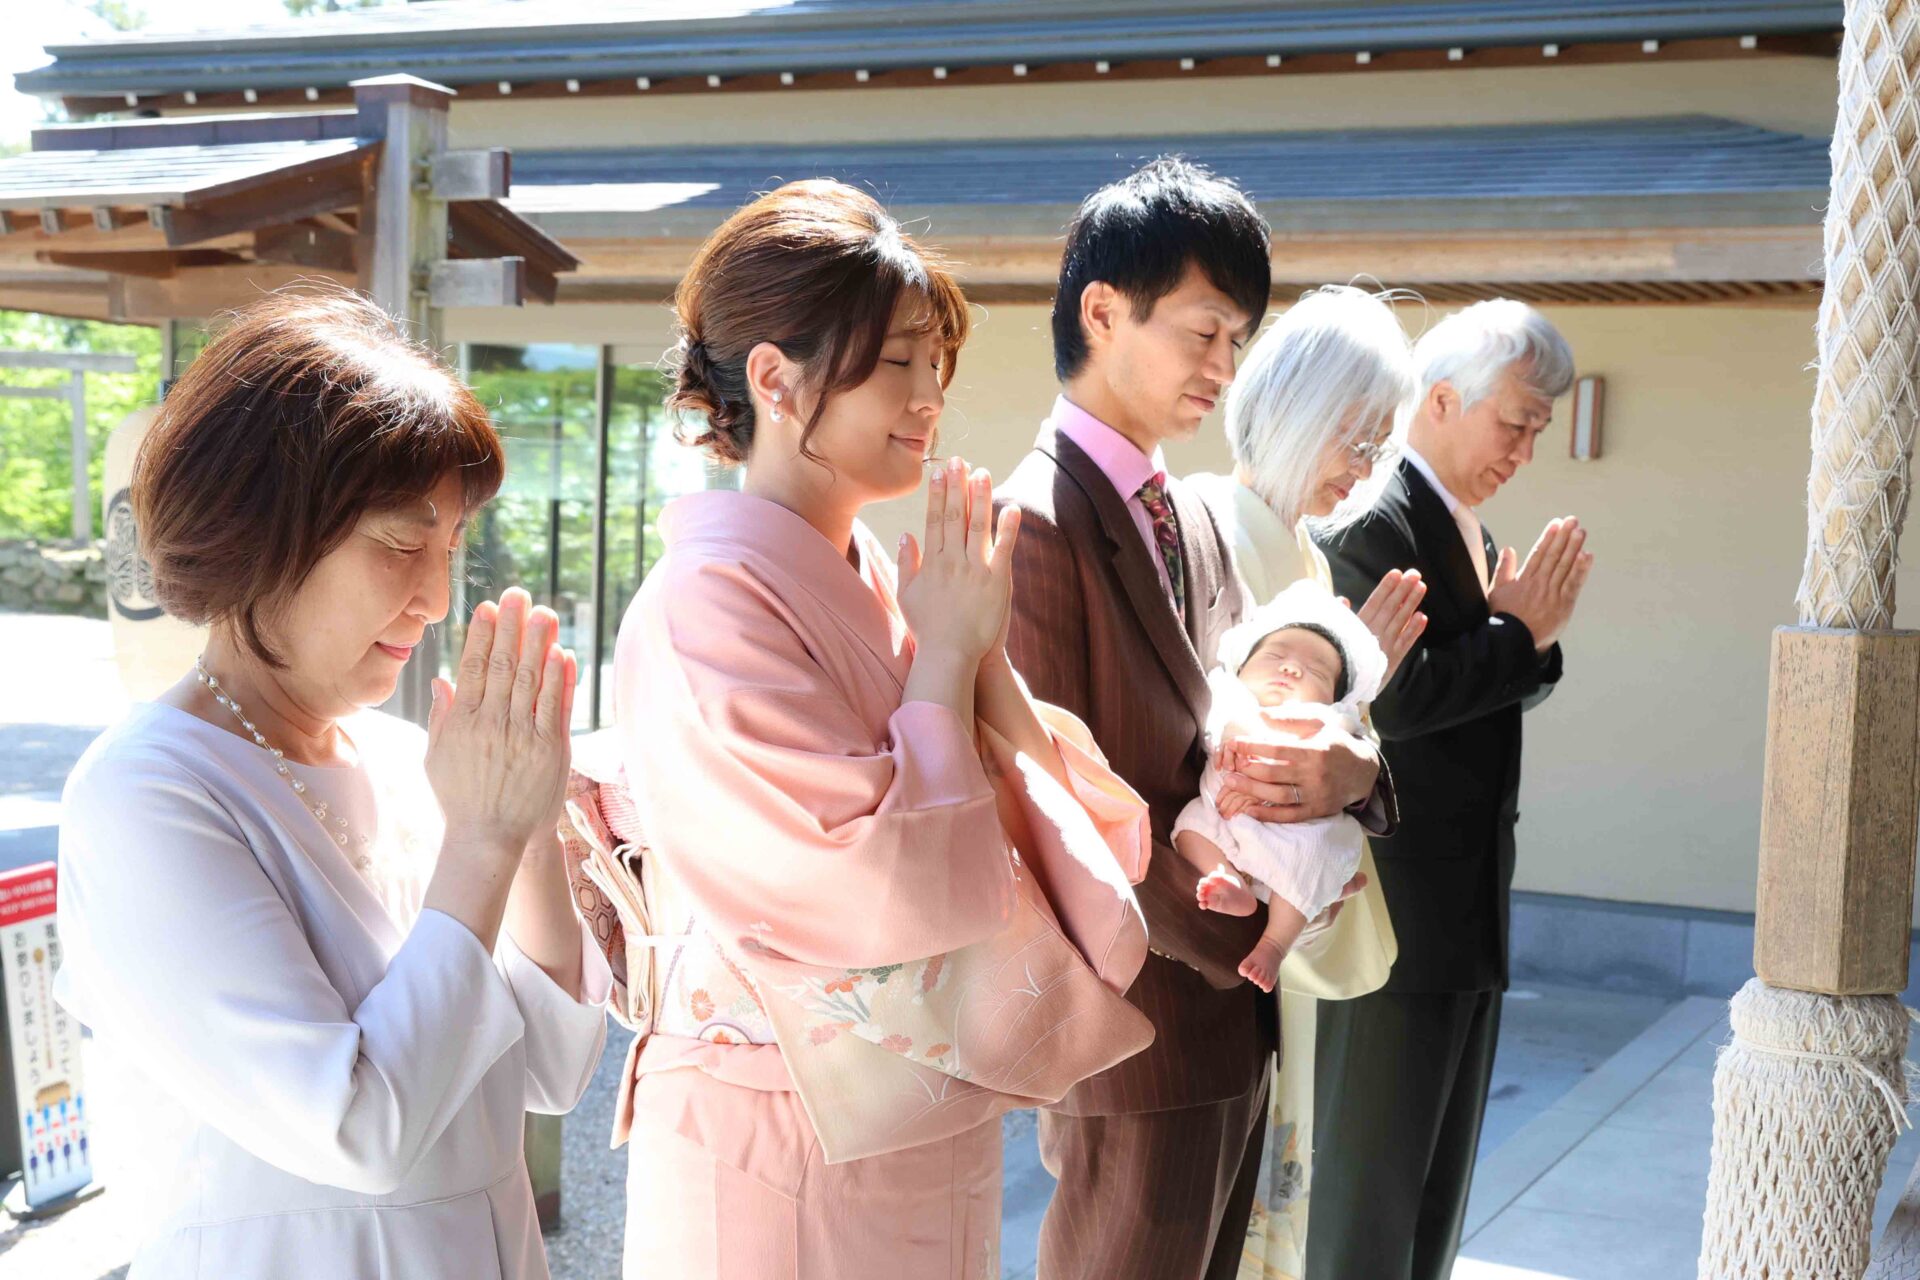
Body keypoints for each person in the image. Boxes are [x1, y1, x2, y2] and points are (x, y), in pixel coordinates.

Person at [612, 179, 1155, 1280]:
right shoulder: (705, 600)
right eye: (899, 360)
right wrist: (948, 660)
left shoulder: (877, 578)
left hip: (916, 1107)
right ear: (775, 377)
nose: (930, 394)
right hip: (772, 1114)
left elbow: (1063, 831)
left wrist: (976, 656)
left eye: (934, 362)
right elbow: (868, 878)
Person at [53, 289, 612, 1279]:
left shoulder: (401, 757)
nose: (438, 595)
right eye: (402, 542)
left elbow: (551, 1067)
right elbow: (354, 1129)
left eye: (450, 548)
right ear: (262, 530)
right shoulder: (145, 793)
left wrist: (525, 830)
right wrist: (482, 837)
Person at [998, 159, 1397, 1280]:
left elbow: (1253, 725)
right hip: (1140, 1030)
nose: (1224, 368)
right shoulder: (1035, 521)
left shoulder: (1192, 515)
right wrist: (1245, 937)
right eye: (1204, 332)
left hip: (1227, 1021)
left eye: (1239, 340)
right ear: (1102, 310)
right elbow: (1063, 806)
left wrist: (1352, 767)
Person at [1309, 299, 1595, 1280]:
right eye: (1514, 421)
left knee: (1431, 1201)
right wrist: (1520, 637)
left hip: (1461, 913)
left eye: (1538, 430)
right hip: (1392, 916)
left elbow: (1499, 664)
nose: (1524, 447)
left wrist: (1525, 640)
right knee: (1368, 1200)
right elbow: (1397, 698)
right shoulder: (1372, 517)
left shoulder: (1461, 524)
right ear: (1441, 398)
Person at [1183, 282, 1427, 1278]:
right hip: (1213, 904)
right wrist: (1349, 724)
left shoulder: (1306, 559)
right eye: (1353, 437)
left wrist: (1359, 736)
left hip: (1268, 909)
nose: (1365, 468)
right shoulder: (1206, 520)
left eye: (1380, 444)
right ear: (1297, 409)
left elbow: (1329, 750)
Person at [1177, 582, 1390, 991]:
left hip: (1297, 834)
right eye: (1275, 655)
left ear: (1335, 698)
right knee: (1189, 827)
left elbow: (1349, 752)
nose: (1291, 669)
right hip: (1223, 814)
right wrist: (1229, 742)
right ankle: (1226, 879)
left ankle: (1275, 943)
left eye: (1316, 671)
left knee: (1315, 858)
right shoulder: (1229, 696)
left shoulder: (1332, 722)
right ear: (1241, 666)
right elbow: (1214, 726)